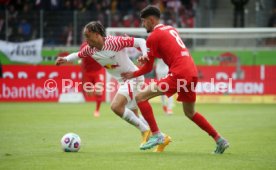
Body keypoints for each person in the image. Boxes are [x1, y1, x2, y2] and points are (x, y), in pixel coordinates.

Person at [121, 5, 229, 154]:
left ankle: (157, 135)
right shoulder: (171, 29)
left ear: (151, 20)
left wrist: (132, 74)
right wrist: (143, 52)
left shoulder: (153, 36)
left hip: (179, 74)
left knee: (140, 97)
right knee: (190, 113)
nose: (143, 24)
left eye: (144, 21)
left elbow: (148, 68)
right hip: (191, 73)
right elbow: (163, 52)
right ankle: (219, 140)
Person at [55, 21, 169, 151]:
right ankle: (162, 138)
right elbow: (77, 54)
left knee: (116, 106)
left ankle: (145, 131)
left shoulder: (114, 42)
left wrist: (145, 55)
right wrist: (66, 59)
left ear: (97, 35)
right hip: (123, 81)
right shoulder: (89, 48)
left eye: (88, 36)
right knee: (134, 114)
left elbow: (141, 41)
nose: (86, 39)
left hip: (133, 78)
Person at [79, 41, 105, 117]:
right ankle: (91, 90)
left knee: (98, 91)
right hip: (87, 73)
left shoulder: (100, 44)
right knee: (89, 94)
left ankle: (97, 110)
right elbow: (80, 56)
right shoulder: (83, 46)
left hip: (98, 71)